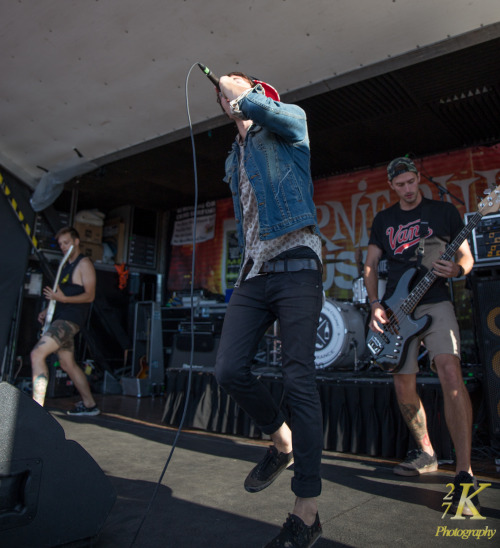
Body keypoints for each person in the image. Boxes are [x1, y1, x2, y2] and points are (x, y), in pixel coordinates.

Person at [213, 72, 323, 547]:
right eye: (226, 90)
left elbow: (270, 113)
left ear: (258, 93)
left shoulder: (288, 124)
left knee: (298, 378)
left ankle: (306, 513)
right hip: (255, 273)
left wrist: (244, 97)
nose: (230, 88)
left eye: (242, 83)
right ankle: (282, 442)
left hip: (297, 263)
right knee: (228, 369)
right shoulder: (232, 158)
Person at [364, 157, 476, 514]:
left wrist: (457, 269)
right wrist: (374, 305)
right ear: (392, 187)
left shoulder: (444, 212)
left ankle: (464, 468)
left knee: (449, 371)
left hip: (436, 301)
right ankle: (426, 452)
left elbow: (467, 257)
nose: (409, 189)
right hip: (398, 310)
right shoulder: (384, 220)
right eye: (401, 185)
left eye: (412, 182)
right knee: (403, 385)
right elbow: (370, 264)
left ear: (418, 179)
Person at [31, 226, 100, 416]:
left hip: (71, 319)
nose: (63, 246)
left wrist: (63, 300)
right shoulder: (65, 266)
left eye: (66, 242)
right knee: (67, 364)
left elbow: (90, 296)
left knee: (37, 354)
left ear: (76, 242)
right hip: (61, 316)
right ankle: (90, 405)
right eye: (60, 244)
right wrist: (47, 309)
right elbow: (61, 295)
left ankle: (36, 407)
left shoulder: (83, 263)